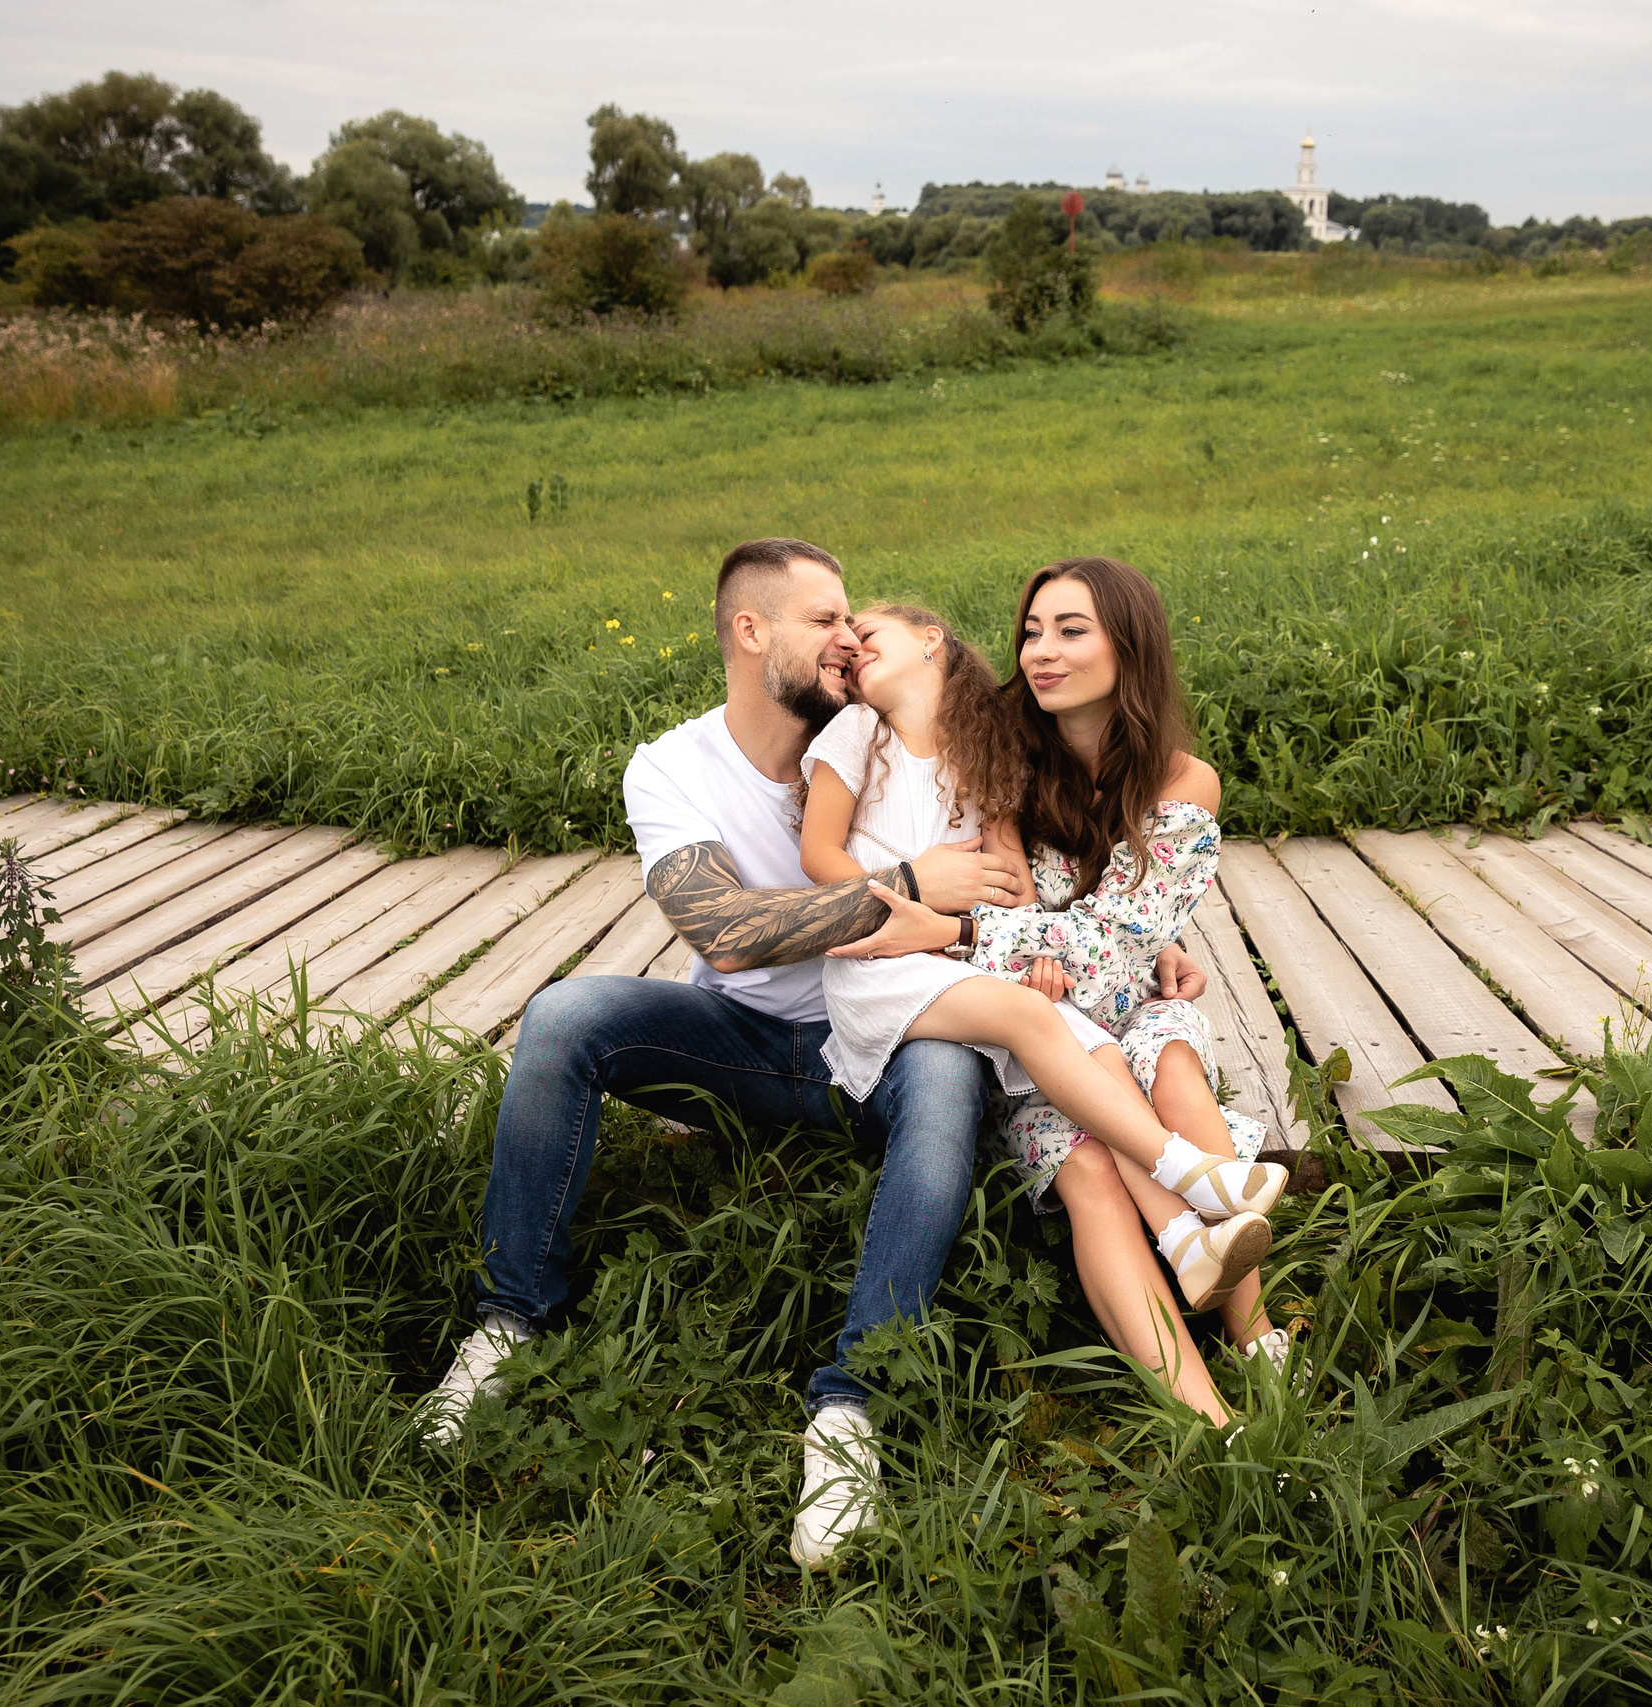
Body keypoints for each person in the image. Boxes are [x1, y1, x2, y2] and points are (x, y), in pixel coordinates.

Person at [416, 537, 1212, 1572]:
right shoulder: (673, 767)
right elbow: (723, 931)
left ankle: (851, 1412)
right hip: (747, 1041)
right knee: (565, 1014)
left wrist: (1142, 945)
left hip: (903, 1029)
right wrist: (909, 886)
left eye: (854, 620)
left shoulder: (901, 729)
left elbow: (1040, 838)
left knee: (946, 1081)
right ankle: (509, 1322)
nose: (847, 637)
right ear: (751, 632)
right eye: (825, 619)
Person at [826, 558, 1293, 1426]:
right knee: (1087, 1167)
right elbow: (997, 888)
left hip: (1120, 1002)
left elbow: (1114, 949)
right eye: (1032, 631)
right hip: (1030, 1034)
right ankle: (1206, 1416)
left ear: (1129, 646)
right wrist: (1022, 941)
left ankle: (1256, 1335)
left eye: (1071, 631)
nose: (1041, 650)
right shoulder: (996, 745)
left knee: (1173, 1065)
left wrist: (976, 934)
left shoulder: (1183, 782)